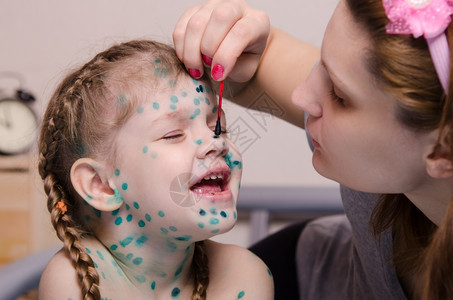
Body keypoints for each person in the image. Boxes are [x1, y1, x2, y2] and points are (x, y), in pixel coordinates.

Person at [173, 0, 453, 299]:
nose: (300, 95)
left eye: (339, 95)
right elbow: (251, 65)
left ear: (442, 149)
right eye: (322, 61)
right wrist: (227, 37)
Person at [37, 39, 273, 300]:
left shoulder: (244, 275)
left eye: (218, 127)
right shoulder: (74, 281)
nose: (215, 142)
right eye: (173, 134)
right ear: (100, 185)